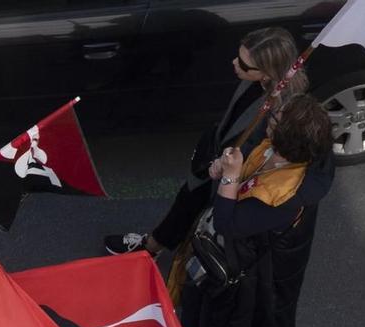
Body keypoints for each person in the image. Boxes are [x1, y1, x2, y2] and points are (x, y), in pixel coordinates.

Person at [104, 27, 304, 259]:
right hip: (214, 160)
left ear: (267, 74)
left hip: (231, 176)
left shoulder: (281, 113)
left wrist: (228, 167)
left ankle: (153, 250)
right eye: (238, 56)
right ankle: (154, 246)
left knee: (195, 211)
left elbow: (267, 155)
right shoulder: (257, 82)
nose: (235, 63)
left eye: (244, 64)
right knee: (187, 202)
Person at [178, 93, 335, 327]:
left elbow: (227, 223)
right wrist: (225, 168)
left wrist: (229, 176)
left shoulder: (283, 197)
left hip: (263, 267)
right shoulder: (302, 151)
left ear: (284, 140)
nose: (269, 116)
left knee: (259, 315)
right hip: (265, 254)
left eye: (274, 118)